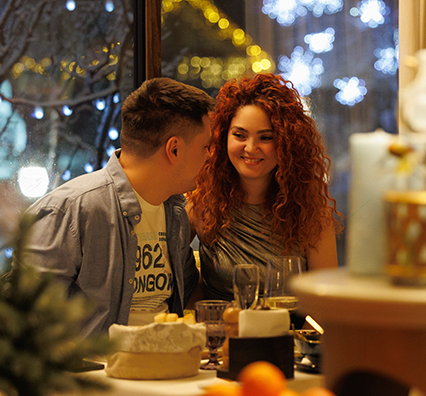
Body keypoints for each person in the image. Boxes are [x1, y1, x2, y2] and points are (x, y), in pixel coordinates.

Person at [19, 78, 215, 339]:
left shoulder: (175, 210)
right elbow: (26, 318)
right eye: (205, 147)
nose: (210, 156)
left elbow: (189, 293)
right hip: (97, 364)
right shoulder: (71, 210)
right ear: (174, 149)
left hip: (170, 359)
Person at [187, 73, 342, 307]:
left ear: (286, 144)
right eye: (239, 135)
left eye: (266, 137)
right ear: (222, 138)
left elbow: (326, 306)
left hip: (289, 330)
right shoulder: (202, 204)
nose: (251, 148)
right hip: (221, 329)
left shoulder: (311, 216)